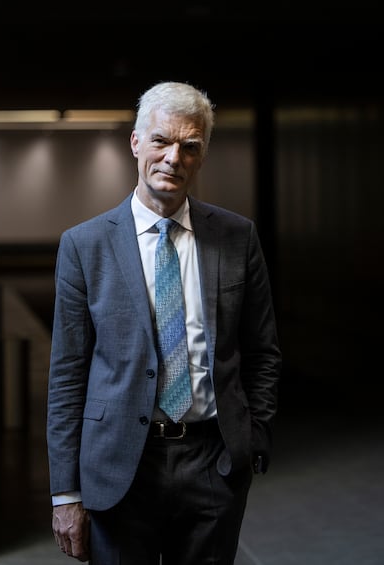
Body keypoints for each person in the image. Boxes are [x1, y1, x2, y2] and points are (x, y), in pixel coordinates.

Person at [47, 81, 282, 565]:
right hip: (119, 468)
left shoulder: (238, 237)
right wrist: (65, 493)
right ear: (136, 142)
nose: (173, 157)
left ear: (202, 155)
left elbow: (263, 350)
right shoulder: (84, 246)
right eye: (161, 140)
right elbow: (67, 375)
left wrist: (252, 435)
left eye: (189, 146)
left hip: (213, 463)